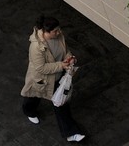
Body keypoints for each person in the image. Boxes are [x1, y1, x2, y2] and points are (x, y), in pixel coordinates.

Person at [20, 12, 85, 140]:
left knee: (61, 103)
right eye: (55, 31)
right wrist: (61, 65)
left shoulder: (59, 36)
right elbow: (41, 67)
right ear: (46, 32)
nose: (59, 32)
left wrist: (69, 58)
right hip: (42, 80)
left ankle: (71, 133)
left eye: (59, 29)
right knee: (33, 97)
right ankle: (29, 111)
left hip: (58, 78)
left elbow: (65, 51)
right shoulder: (36, 47)